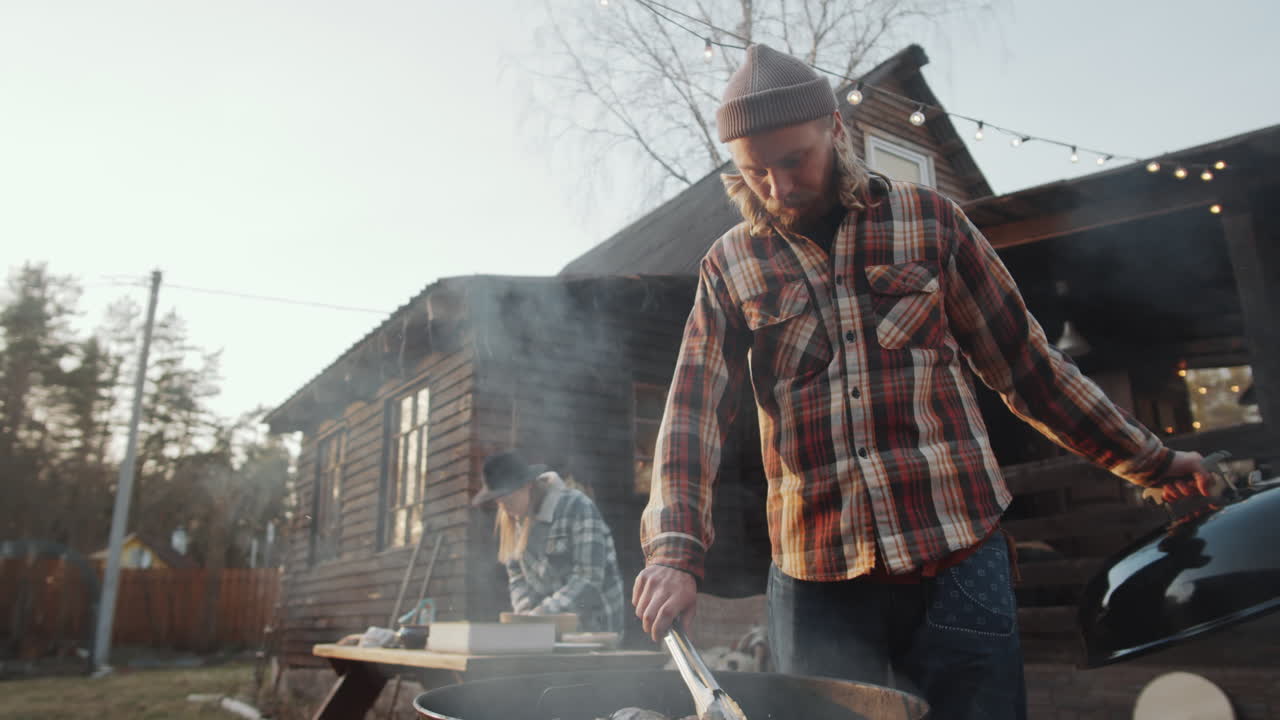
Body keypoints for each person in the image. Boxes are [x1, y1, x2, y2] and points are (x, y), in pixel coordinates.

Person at [631, 44, 1213, 719]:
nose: (779, 188)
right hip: (816, 581)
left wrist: (1152, 461)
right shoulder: (729, 266)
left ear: (836, 133)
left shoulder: (932, 223)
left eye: (794, 161)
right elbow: (692, 416)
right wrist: (674, 553)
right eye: (755, 173)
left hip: (957, 563)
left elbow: (1029, 369)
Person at [474, 451, 625, 634]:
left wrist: (539, 616)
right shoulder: (513, 520)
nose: (503, 506)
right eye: (498, 500)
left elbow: (588, 579)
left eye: (507, 498)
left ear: (527, 485)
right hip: (550, 632)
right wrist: (524, 617)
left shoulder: (576, 506)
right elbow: (517, 578)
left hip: (597, 630)